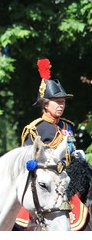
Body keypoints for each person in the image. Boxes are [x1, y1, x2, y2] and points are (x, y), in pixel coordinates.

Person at [15, 58, 86, 230]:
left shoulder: (67, 126)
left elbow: (71, 151)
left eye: (63, 102)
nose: (62, 105)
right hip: (47, 184)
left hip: (69, 178)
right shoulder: (35, 128)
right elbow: (30, 160)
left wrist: (77, 155)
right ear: (45, 105)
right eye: (57, 102)